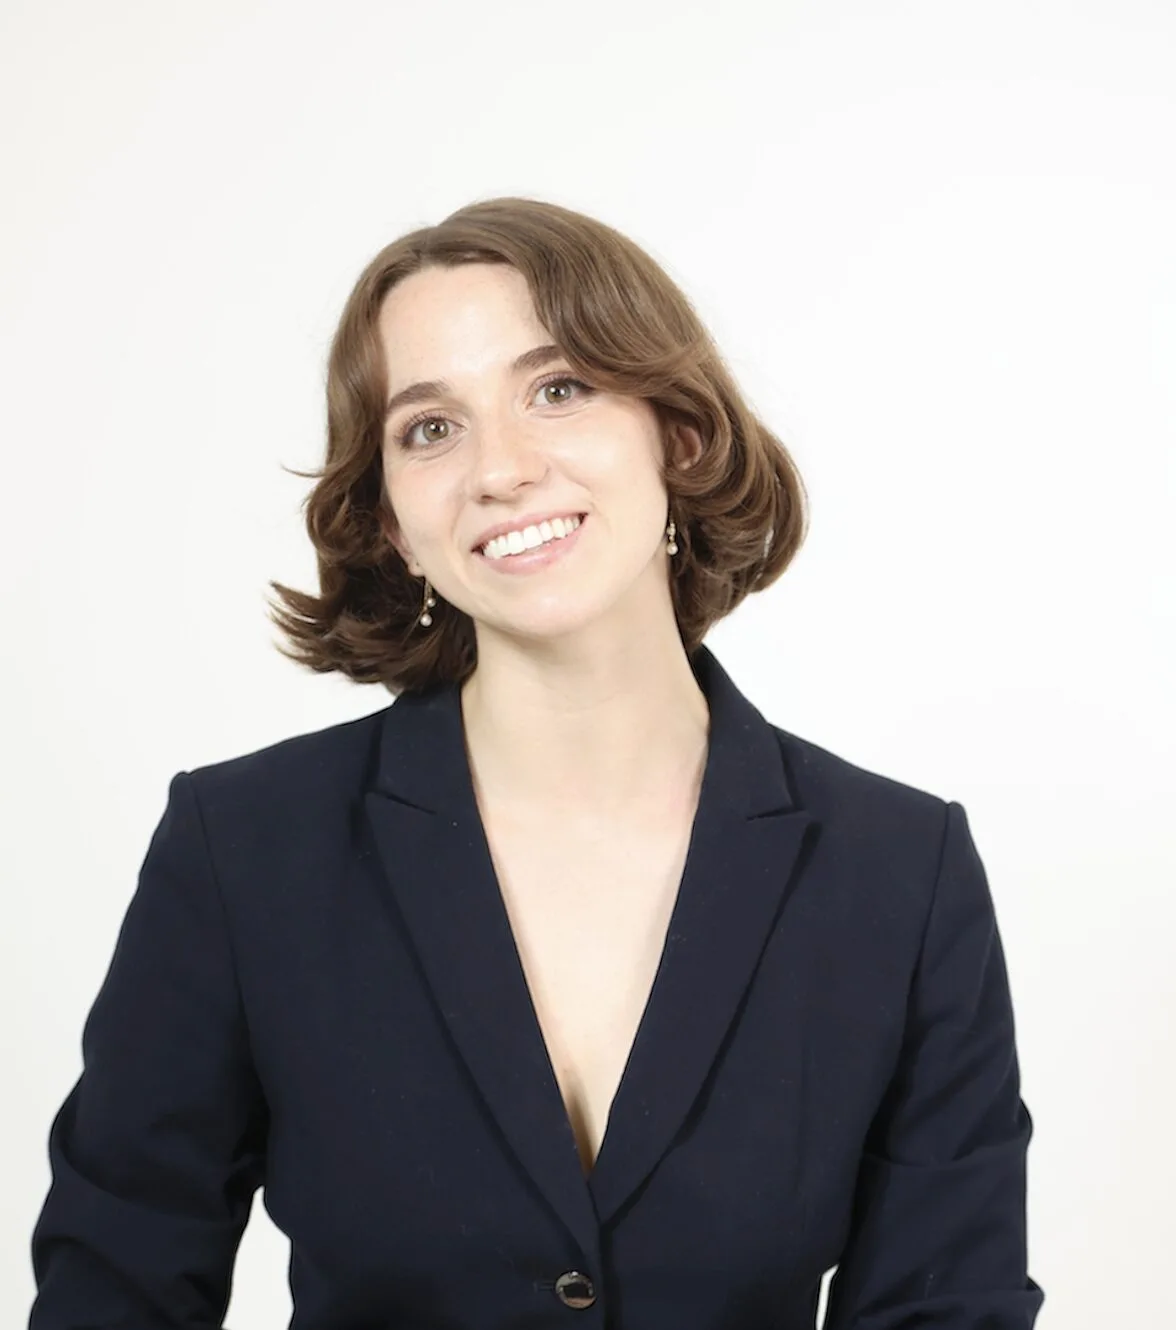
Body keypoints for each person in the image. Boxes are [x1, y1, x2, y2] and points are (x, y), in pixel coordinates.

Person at [28, 196, 1045, 1329]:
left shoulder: (901, 871)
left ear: (680, 434)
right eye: (429, 428)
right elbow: (111, 1291)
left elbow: (948, 1308)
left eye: (557, 389)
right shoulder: (244, 849)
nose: (500, 468)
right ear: (394, 526)